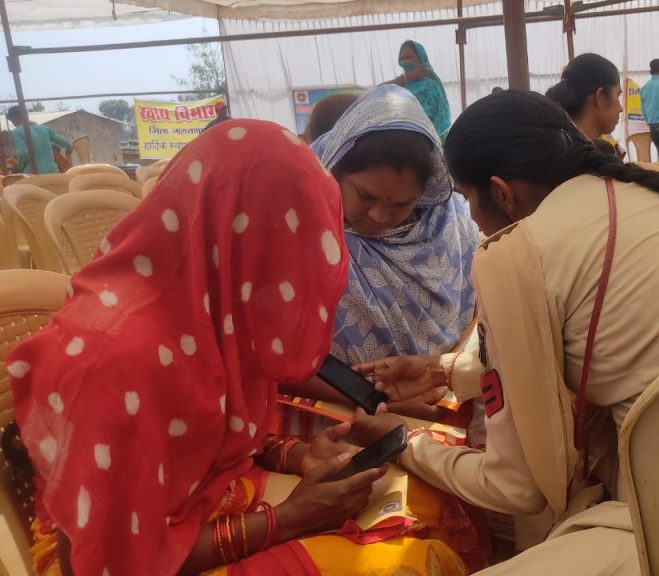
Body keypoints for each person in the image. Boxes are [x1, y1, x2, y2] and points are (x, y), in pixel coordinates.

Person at [352, 90, 659, 576]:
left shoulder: (519, 254)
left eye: (466, 200)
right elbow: (636, 335)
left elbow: (516, 486)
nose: (473, 222)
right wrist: (443, 371)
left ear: (502, 192)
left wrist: (406, 442)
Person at [6, 119, 467, 575]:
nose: (302, 269)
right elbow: (104, 560)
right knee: (402, 564)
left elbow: (201, 441)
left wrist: (296, 455)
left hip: (210, 496)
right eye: (291, 244)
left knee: (429, 501)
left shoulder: (208, 308)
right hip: (127, 552)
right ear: (236, 233)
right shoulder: (115, 357)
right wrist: (288, 521)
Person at [312, 84, 477, 365]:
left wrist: (442, 374)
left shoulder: (452, 227)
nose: (378, 216)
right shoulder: (306, 235)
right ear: (335, 169)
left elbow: (477, 319)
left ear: (424, 192)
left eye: (401, 204)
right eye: (365, 196)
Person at [545, 53, 624, 151]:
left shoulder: (552, 148)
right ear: (601, 97)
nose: (621, 109)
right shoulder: (587, 157)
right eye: (618, 94)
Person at [388, 41, 452, 137]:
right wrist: (404, 77)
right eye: (402, 58)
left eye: (409, 57)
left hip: (428, 139)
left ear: (420, 57)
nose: (405, 61)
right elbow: (377, 92)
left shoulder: (430, 85)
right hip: (402, 138)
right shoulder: (400, 83)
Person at [5, 105, 71, 174]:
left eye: (12, 121)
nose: (13, 124)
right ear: (26, 115)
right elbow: (67, 144)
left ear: (14, 119)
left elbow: (23, 153)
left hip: (33, 173)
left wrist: (19, 166)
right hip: (52, 171)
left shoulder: (17, 131)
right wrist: (69, 151)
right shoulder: (44, 128)